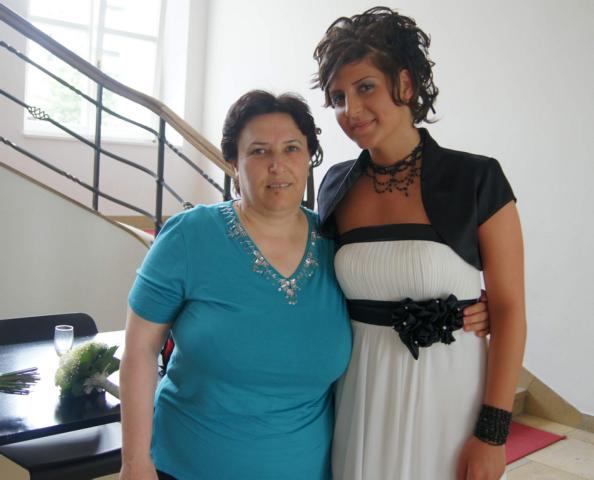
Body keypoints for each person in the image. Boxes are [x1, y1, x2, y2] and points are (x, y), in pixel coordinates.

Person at [313, 7, 526, 480]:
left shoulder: (477, 178)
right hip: (359, 396)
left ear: (405, 84)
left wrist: (493, 434)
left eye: (365, 87)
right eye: (338, 97)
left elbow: (510, 310)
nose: (351, 110)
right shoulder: (334, 186)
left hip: (448, 395)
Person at [118, 90, 352, 480]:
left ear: (308, 158)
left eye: (292, 148)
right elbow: (140, 350)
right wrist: (134, 462)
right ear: (233, 164)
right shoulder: (189, 236)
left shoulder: (338, 245)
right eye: (259, 152)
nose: (277, 165)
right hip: (186, 466)